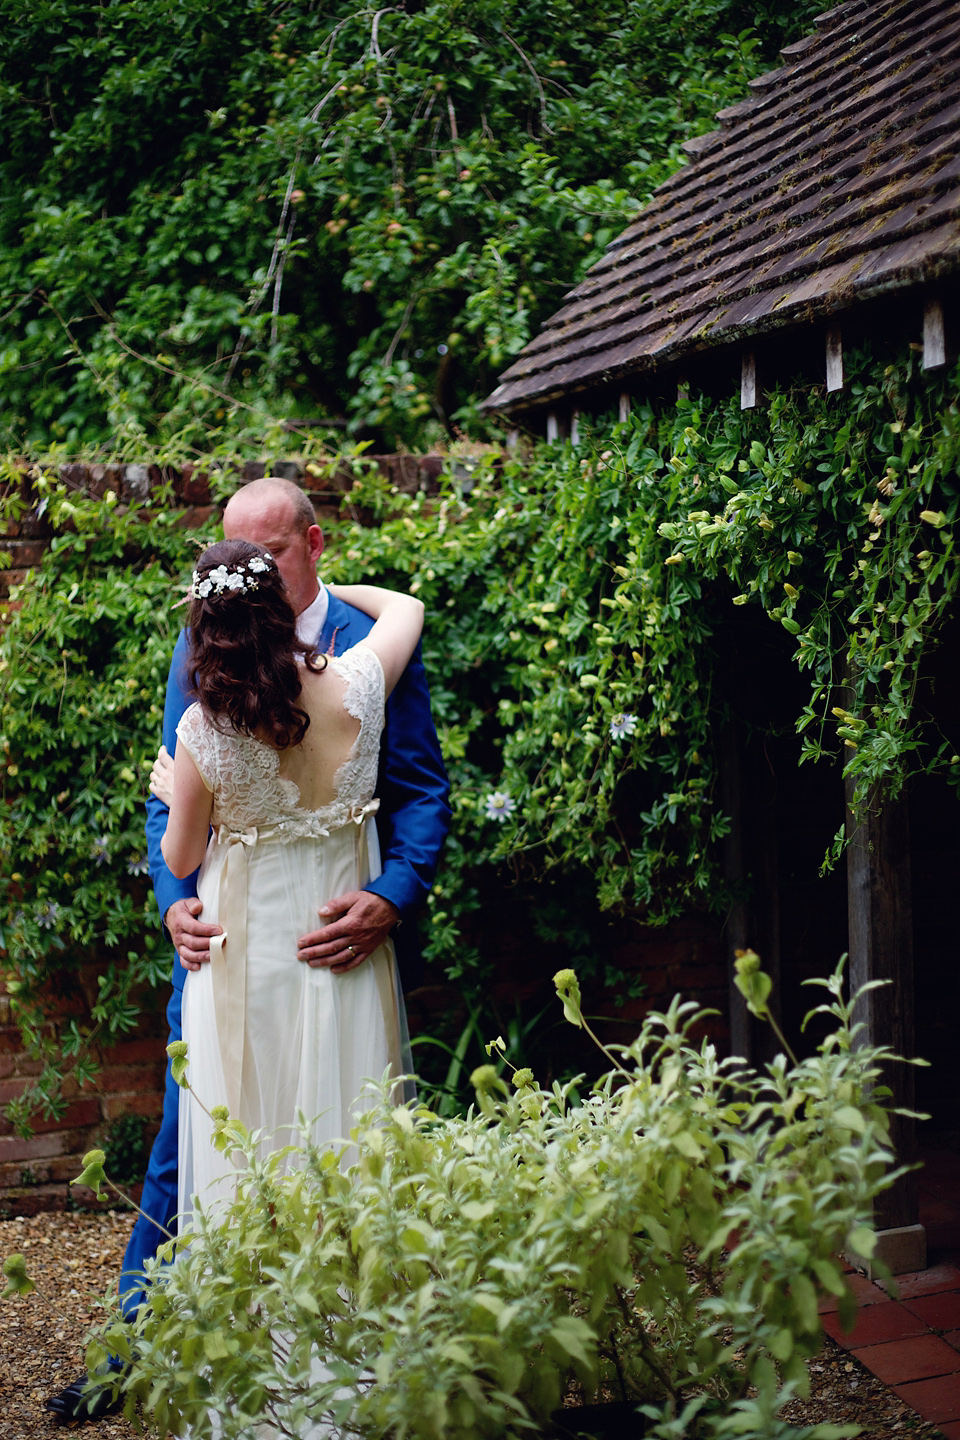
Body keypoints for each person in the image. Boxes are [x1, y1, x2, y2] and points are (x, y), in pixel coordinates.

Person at [46, 478, 450, 1424]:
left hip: (333, 938)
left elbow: (423, 788)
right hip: (224, 939)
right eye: (235, 548)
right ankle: (134, 1346)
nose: (250, 567)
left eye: (268, 550)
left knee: (348, 1137)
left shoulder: (363, 646)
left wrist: (390, 897)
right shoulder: (205, 646)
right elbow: (168, 807)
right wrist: (173, 902)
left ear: (315, 542)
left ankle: (350, 1347)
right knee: (185, 1150)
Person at [163, 539, 424, 1216]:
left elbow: (180, 859)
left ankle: (258, 1304)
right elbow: (405, 605)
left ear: (205, 625)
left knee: (252, 1124)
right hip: (340, 939)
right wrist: (331, 584)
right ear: (279, 609)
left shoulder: (204, 730)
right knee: (349, 1111)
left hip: (247, 949)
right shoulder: (361, 682)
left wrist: (177, 792)